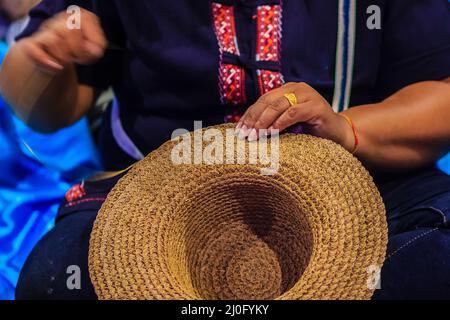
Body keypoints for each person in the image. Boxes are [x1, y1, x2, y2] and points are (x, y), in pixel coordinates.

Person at [0, 0, 449, 299]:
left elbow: (440, 98)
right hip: (153, 182)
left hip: (356, 171)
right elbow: (50, 109)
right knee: (53, 282)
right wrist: (45, 61)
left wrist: (347, 127)